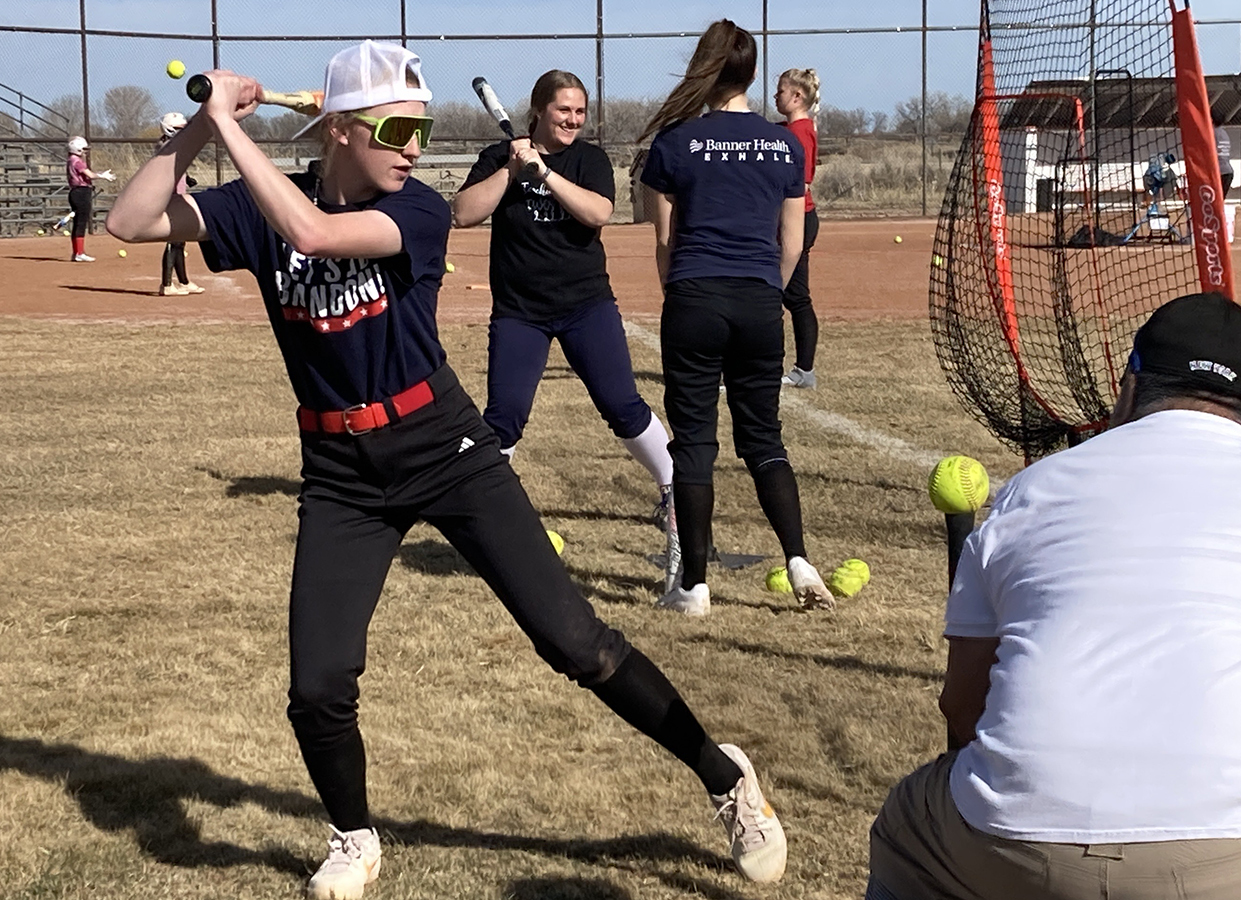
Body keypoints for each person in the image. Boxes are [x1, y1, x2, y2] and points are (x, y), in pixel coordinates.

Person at [106, 41, 786, 899]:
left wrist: (223, 127)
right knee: (317, 686)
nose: (414, 148)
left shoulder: (417, 211)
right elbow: (128, 224)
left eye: (420, 130)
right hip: (341, 470)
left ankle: (724, 777)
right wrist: (201, 136)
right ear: (342, 132)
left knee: (576, 644)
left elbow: (312, 232)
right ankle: (353, 837)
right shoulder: (255, 206)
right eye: (396, 128)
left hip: (443, 447)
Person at [867, 292, 1241, 900]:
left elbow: (963, 707)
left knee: (909, 829)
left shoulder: (1026, 494)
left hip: (1014, 844)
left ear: (1129, 385)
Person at [637, 19, 834, 616]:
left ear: (705, 68)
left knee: (694, 443)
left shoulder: (674, 143)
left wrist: (685, 288)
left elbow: (665, 241)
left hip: (695, 297)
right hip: (756, 301)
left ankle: (693, 587)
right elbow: (792, 240)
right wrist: (764, 291)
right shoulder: (785, 146)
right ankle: (798, 559)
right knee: (764, 439)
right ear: (752, 74)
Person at [452, 70, 678, 586]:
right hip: (520, 312)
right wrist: (513, 170)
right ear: (539, 110)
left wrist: (546, 175)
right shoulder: (500, 157)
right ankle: (482, 520)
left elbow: (598, 212)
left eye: (579, 112)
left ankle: (673, 491)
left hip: (585, 305)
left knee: (622, 405)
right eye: (563, 111)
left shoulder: (588, 159)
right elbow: (462, 214)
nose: (573, 120)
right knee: (505, 415)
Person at [774, 68, 821, 389]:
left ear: (797, 97)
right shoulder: (790, 129)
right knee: (792, 296)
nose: (776, 96)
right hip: (794, 220)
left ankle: (802, 370)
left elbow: (801, 184)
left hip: (798, 220)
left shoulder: (800, 133)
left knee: (787, 295)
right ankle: (801, 370)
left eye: (780, 91)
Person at [155, 112, 204, 296]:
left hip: (178, 195)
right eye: (178, 129)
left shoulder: (173, 145)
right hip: (169, 198)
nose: (182, 132)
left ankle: (184, 281)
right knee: (173, 241)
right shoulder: (165, 147)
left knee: (180, 242)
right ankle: (166, 285)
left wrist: (188, 178)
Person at [63, 136, 115, 262]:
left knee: (78, 223)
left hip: (75, 192)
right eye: (83, 149)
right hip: (81, 193)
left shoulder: (71, 160)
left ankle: (77, 252)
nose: (85, 152)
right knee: (81, 223)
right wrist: (102, 175)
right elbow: (90, 175)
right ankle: (79, 253)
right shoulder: (77, 161)